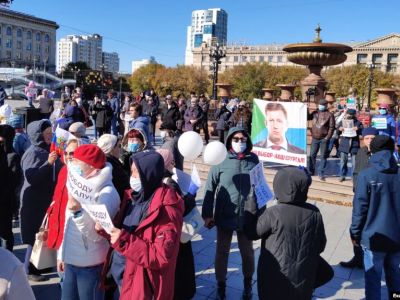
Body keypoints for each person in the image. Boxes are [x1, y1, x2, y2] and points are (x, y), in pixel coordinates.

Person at [244, 167, 332, 300]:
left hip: (274, 279)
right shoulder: (315, 213)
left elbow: (251, 233)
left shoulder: (274, 213)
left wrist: (250, 205)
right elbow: (321, 246)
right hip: (303, 281)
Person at [109, 151, 184, 300]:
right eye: (131, 172)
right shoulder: (133, 197)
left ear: (148, 174)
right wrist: (106, 230)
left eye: (137, 172)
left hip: (143, 285)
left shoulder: (167, 209)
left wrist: (123, 240)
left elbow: (160, 256)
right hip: (124, 276)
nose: (132, 177)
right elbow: (125, 231)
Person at [202, 127, 259, 300]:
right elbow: (210, 189)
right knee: (222, 252)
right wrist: (207, 214)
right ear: (229, 140)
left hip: (246, 214)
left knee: (247, 252)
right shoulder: (221, 160)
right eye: (236, 138)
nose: (239, 142)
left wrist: (261, 213)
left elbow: (260, 187)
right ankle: (221, 286)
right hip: (225, 213)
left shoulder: (254, 160)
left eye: (243, 139)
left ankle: (248, 285)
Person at [58, 144, 120, 300]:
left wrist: (78, 211)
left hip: (90, 264)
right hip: (72, 260)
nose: (73, 164)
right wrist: (62, 254)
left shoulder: (107, 192)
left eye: (78, 161)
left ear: (91, 167)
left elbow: (98, 233)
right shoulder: (77, 183)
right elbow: (68, 224)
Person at [350, 135, 400, 300]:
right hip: (396, 238)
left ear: (373, 151)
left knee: (373, 280)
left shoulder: (367, 175)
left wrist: (355, 234)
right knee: (395, 277)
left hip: (373, 238)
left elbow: (359, 209)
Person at [20, 120, 61, 281]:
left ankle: (39, 265)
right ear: (38, 135)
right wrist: (48, 163)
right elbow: (32, 178)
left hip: (44, 199)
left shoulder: (48, 149)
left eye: (52, 133)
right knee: (34, 237)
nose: (51, 136)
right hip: (33, 201)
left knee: (42, 233)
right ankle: (29, 270)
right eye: (47, 133)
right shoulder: (33, 153)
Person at [156, 148, 196, 300]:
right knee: (181, 269)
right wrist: (191, 195)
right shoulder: (169, 182)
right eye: (171, 160)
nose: (173, 163)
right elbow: (180, 207)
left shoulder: (157, 178)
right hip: (177, 234)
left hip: (166, 233)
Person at [340, 127, 378, 269]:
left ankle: (371, 261)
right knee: (355, 228)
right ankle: (357, 258)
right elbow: (356, 172)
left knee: (370, 230)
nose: (369, 141)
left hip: (375, 199)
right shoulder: (361, 152)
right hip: (360, 197)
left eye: (372, 139)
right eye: (366, 138)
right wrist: (356, 188)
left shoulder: (381, 155)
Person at [47, 139, 79, 251]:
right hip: (57, 227)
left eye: (72, 153)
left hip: (73, 231)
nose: (68, 156)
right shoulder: (63, 170)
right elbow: (56, 198)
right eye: (65, 153)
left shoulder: (84, 174)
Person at [0, 125, 22, 252]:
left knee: (6, 233)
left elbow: (13, 182)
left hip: (6, 202)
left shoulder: (12, 156)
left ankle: (8, 257)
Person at [307, 99, 335, 181]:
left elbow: (332, 127)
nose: (320, 106)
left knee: (323, 156)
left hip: (324, 139)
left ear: (326, 106)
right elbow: (308, 117)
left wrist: (327, 138)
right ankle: (311, 171)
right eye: (320, 104)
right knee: (312, 155)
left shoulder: (330, 115)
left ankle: (321, 172)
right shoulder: (315, 113)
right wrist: (306, 108)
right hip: (315, 138)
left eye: (322, 104)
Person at [97, 134, 130, 200]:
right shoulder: (111, 165)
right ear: (111, 148)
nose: (121, 149)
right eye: (119, 146)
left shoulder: (100, 160)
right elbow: (126, 185)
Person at [337, 109, 363, 182]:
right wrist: (339, 129)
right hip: (344, 144)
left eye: (351, 114)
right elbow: (337, 131)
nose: (349, 116)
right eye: (348, 114)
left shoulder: (358, 123)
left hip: (354, 144)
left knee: (354, 163)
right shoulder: (343, 122)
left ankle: (353, 177)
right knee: (343, 162)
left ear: (354, 115)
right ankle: (342, 175)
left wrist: (358, 129)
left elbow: (362, 131)